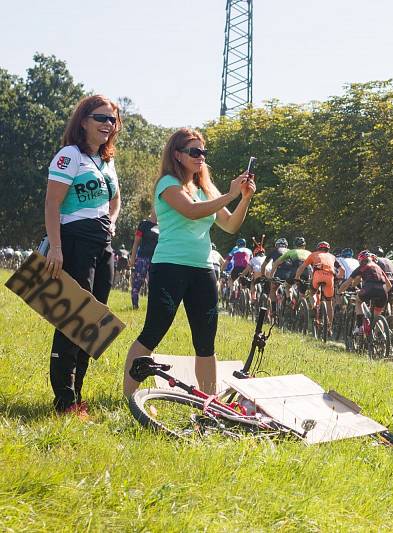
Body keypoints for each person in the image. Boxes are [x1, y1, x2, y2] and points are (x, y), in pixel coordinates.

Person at [122, 128, 256, 398]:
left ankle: (210, 403)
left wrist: (244, 198)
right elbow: (192, 211)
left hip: (203, 269)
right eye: (194, 152)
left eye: (203, 152)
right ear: (177, 154)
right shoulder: (167, 184)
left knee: (206, 341)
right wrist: (230, 195)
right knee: (153, 332)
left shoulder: (206, 188)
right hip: (170, 266)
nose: (201, 157)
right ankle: (128, 397)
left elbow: (229, 225)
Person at [42, 94, 122, 416]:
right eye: (101, 118)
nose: (108, 124)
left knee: (93, 325)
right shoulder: (69, 155)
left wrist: (112, 223)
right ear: (84, 120)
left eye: (113, 120)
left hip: (102, 245)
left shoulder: (107, 160)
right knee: (73, 322)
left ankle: (78, 396)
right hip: (74, 242)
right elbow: (52, 204)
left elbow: (115, 201)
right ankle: (64, 401)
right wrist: (56, 248)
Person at [338, 250, 392, 332]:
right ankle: (381, 338)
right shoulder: (378, 268)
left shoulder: (361, 268)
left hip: (369, 288)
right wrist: (381, 292)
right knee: (376, 317)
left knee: (358, 301)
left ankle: (359, 327)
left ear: (360, 260)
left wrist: (339, 292)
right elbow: (389, 285)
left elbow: (346, 284)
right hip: (383, 290)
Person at [297, 241, 337, 334]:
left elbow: (302, 267)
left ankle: (314, 306)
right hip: (330, 277)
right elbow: (342, 270)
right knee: (329, 303)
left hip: (318, 276)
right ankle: (329, 327)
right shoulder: (332, 256)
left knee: (312, 292)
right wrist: (338, 278)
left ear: (318, 248)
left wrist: (297, 277)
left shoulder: (313, 254)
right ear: (328, 249)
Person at [129, 212, 159, 309]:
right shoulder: (144, 224)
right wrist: (133, 258)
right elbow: (136, 242)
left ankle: (152, 307)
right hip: (142, 258)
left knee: (154, 285)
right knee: (137, 283)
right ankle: (135, 306)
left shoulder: (164, 225)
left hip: (157, 260)